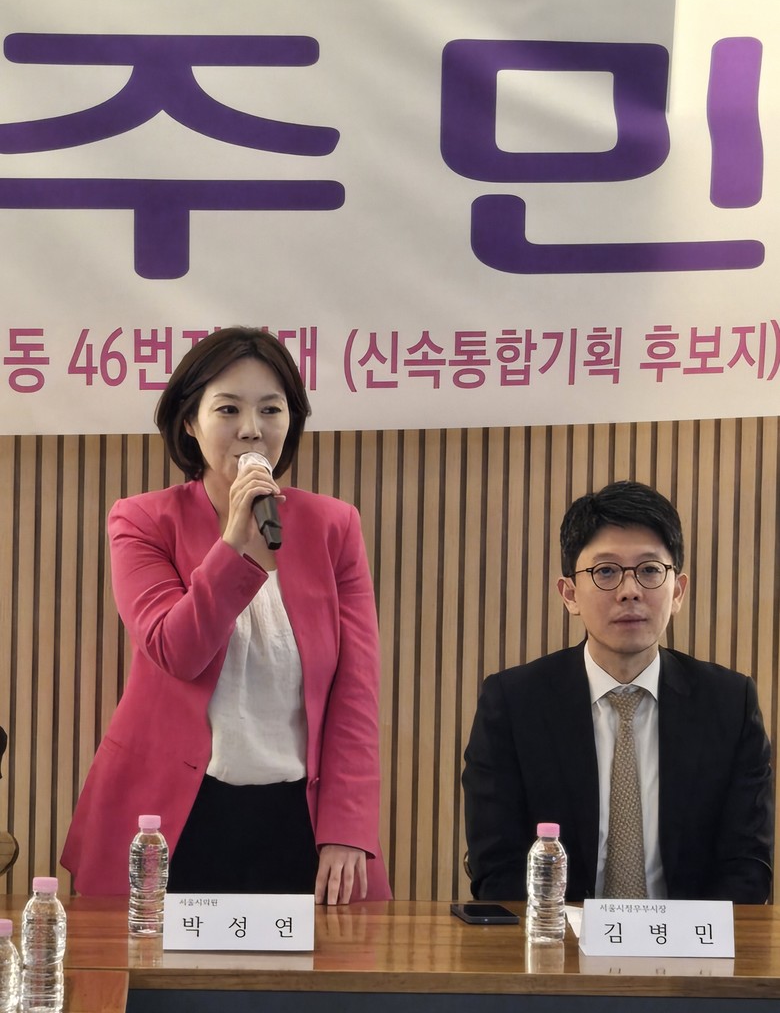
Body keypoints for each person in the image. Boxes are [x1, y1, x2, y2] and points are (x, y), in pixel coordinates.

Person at [62, 327, 391, 903]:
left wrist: (348, 825)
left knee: (323, 963)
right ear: (190, 422)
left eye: (271, 409)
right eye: (228, 409)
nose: (251, 429)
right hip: (169, 819)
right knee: (150, 964)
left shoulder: (334, 526)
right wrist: (234, 543)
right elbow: (176, 650)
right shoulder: (141, 521)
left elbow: (356, 689)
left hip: (299, 813)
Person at [463, 480, 773, 904]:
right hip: (557, 939)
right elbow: (496, 865)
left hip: (687, 943)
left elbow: (748, 866)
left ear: (677, 591)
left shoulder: (729, 703)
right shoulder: (513, 704)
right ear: (570, 594)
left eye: (650, 570)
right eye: (606, 571)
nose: (630, 591)